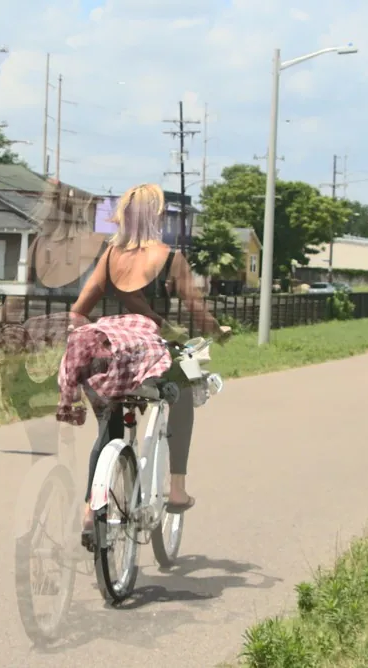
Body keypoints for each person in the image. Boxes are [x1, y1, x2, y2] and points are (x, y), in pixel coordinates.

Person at [67, 183, 229, 541]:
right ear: (157, 217)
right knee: (184, 388)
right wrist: (219, 330)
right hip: (150, 358)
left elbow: (79, 311)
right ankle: (176, 488)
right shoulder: (170, 258)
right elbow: (198, 312)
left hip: (107, 358)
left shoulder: (109, 256)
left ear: (123, 216)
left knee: (107, 430)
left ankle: (89, 509)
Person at [0, 179, 106, 465]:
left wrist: (7, 321)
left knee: (38, 410)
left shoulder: (38, 244)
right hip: (81, 338)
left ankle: (47, 467)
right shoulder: (99, 246)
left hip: (41, 338)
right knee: (108, 413)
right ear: (84, 207)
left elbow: (22, 294)